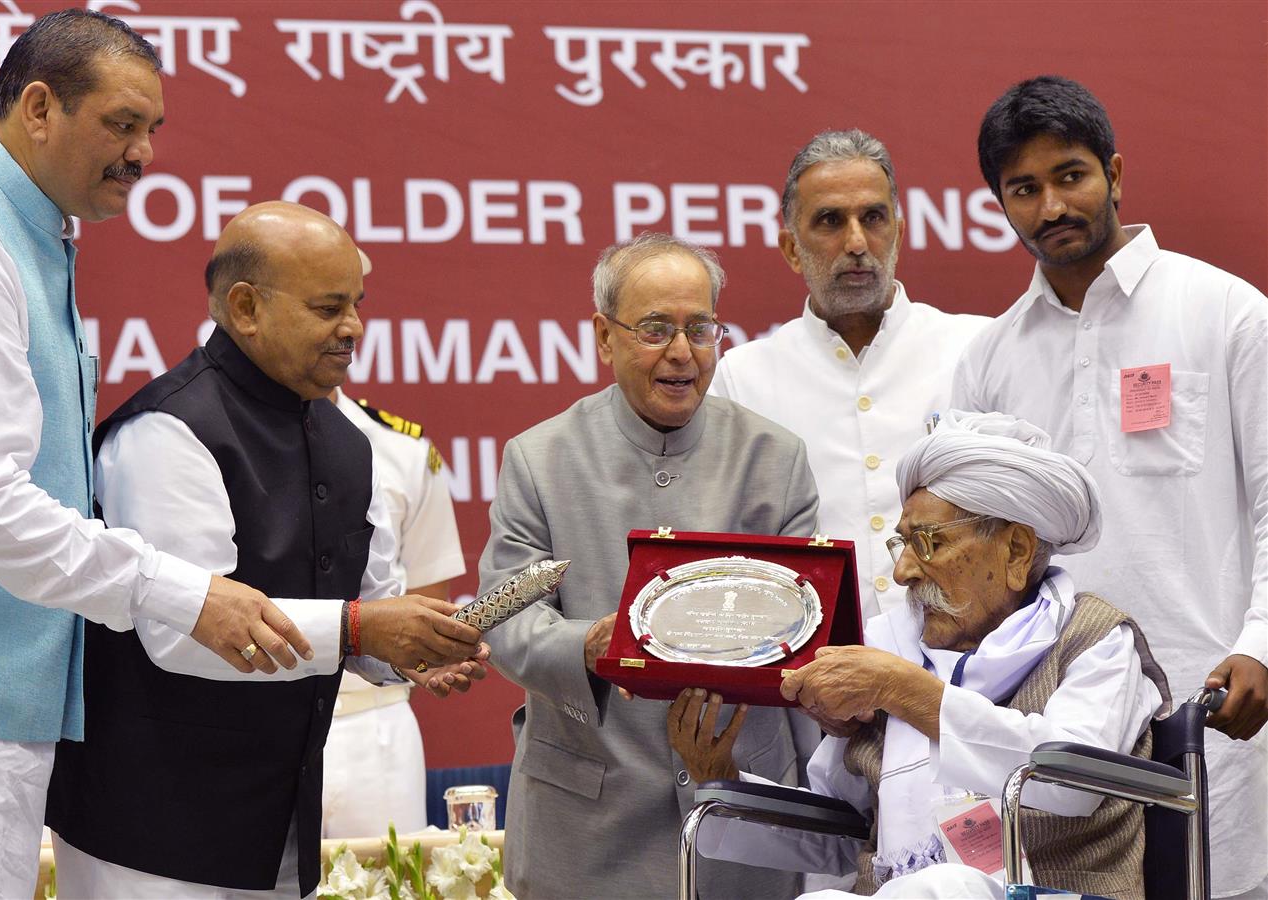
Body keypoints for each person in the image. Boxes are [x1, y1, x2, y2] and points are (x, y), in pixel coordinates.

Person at [0, 11, 310, 898]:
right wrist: (177, 593)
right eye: (121, 125)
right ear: (41, 107)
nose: (142, 155)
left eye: (152, 131)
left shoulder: (23, 233)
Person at [45, 202, 487, 898]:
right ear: (246, 308)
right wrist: (363, 629)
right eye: (326, 307)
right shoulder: (168, 430)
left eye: (356, 305)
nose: (353, 328)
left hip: (280, 821)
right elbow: (183, 631)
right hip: (147, 828)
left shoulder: (349, 442)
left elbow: (364, 609)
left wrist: (406, 648)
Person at [955, 75, 1267, 898]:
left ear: (1114, 173)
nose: (1052, 204)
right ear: (999, 203)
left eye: (1070, 175)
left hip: (1211, 699)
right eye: (1024, 188)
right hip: (1055, 725)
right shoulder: (988, 359)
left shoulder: (1225, 312)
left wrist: (1260, 644)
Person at [672, 411, 1171, 900]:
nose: (904, 571)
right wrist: (721, 777)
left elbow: (1069, 782)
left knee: (944, 887)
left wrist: (905, 690)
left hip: (1053, 892)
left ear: (1016, 550)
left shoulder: (1096, 638)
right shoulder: (892, 645)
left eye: (928, 542)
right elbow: (838, 832)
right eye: (902, 543)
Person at [479, 232, 821, 899]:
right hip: (586, 825)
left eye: (700, 329)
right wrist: (588, 643)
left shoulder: (772, 459)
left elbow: (805, 629)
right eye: (655, 329)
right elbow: (506, 618)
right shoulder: (539, 458)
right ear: (604, 338)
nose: (681, 353)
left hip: (738, 811)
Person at [710, 129, 987, 619]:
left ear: (898, 232)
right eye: (830, 221)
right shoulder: (741, 379)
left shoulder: (975, 347)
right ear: (792, 249)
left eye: (873, 218)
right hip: (811, 678)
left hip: (966, 672)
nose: (857, 242)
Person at [322, 275, 467, 837]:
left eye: (349, 306)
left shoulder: (403, 451)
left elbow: (430, 612)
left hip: (375, 723)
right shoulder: (215, 440)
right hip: (251, 721)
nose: (343, 325)